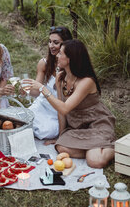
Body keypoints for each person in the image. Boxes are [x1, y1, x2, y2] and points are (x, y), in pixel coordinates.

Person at [24, 39, 115, 168]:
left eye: (61, 53)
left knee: (95, 162)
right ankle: (94, 148)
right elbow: (61, 111)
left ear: (70, 59)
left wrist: (43, 89)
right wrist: (60, 136)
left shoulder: (87, 81)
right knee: (60, 147)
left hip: (96, 123)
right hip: (77, 125)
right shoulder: (61, 78)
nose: (57, 55)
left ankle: (113, 147)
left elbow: (65, 108)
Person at [28, 26, 72, 141]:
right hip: (42, 104)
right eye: (50, 42)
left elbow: (64, 103)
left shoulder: (70, 69)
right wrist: (26, 90)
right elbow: (36, 92)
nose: (51, 46)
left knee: (48, 131)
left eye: (56, 43)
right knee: (24, 120)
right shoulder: (44, 64)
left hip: (57, 111)